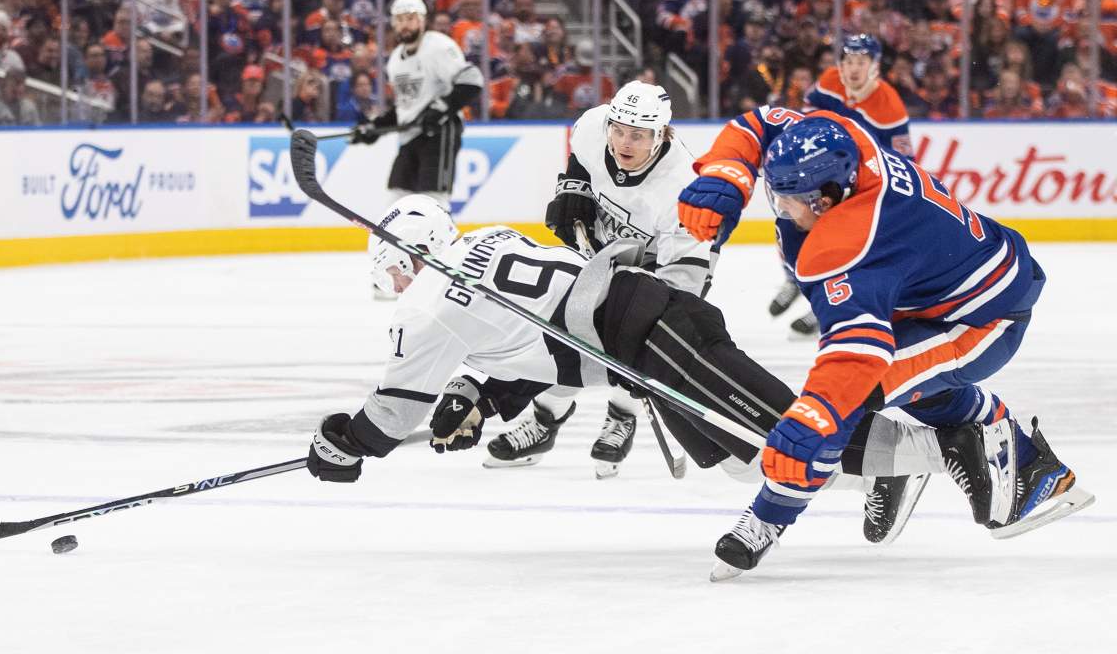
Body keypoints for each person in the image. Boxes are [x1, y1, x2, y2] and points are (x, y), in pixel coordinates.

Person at [284, 164, 1021, 561]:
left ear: (398, 260)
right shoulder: (489, 243)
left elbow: (389, 416)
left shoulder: (427, 304)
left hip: (654, 337)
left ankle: (964, 443)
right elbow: (528, 335)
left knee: (789, 441)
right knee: (738, 464)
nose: (395, 286)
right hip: (647, 332)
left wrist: (341, 445)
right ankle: (910, 460)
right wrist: (477, 394)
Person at [676, 106, 1093, 579]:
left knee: (855, 400)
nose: (778, 206)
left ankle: (767, 519)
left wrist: (811, 422)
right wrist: (727, 174)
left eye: (789, 198)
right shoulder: (845, 138)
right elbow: (761, 124)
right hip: (940, 291)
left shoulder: (848, 240)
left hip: (980, 321)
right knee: (908, 389)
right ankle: (979, 459)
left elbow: (856, 359)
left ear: (827, 199)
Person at [485, 81, 716, 479]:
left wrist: (652, 321)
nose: (624, 143)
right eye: (619, 130)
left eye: (638, 135)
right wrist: (573, 189)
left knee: (629, 342)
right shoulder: (594, 126)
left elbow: (685, 274)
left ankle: (622, 414)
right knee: (567, 335)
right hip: (605, 249)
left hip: (666, 264)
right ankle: (545, 421)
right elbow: (580, 157)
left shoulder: (682, 187)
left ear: (660, 135)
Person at [773, 35, 913, 338]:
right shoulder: (829, 80)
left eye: (861, 62)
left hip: (862, 181)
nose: (853, 69)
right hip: (823, 169)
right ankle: (793, 279)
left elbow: (904, 160)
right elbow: (807, 114)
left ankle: (825, 303)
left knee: (844, 242)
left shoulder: (890, 107)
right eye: (848, 61)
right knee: (788, 213)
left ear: (874, 66)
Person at [349, 0, 483, 207]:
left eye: (410, 18)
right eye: (400, 19)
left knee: (434, 200)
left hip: (440, 131)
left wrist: (439, 109)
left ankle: (442, 240)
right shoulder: (395, 60)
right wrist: (374, 128)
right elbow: (404, 107)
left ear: (422, 20)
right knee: (397, 199)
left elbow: (472, 81)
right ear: (393, 24)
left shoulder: (438, 47)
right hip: (410, 136)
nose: (405, 24)